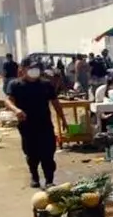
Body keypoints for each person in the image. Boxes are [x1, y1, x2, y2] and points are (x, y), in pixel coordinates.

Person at [4, 58, 68, 188]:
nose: (34, 71)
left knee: (48, 153)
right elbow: (8, 101)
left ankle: (49, 180)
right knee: (31, 153)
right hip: (27, 125)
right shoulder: (15, 85)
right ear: (23, 70)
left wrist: (63, 119)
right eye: (30, 68)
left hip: (44, 124)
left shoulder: (46, 85)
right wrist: (16, 110)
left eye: (36, 68)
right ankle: (35, 177)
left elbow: (55, 103)